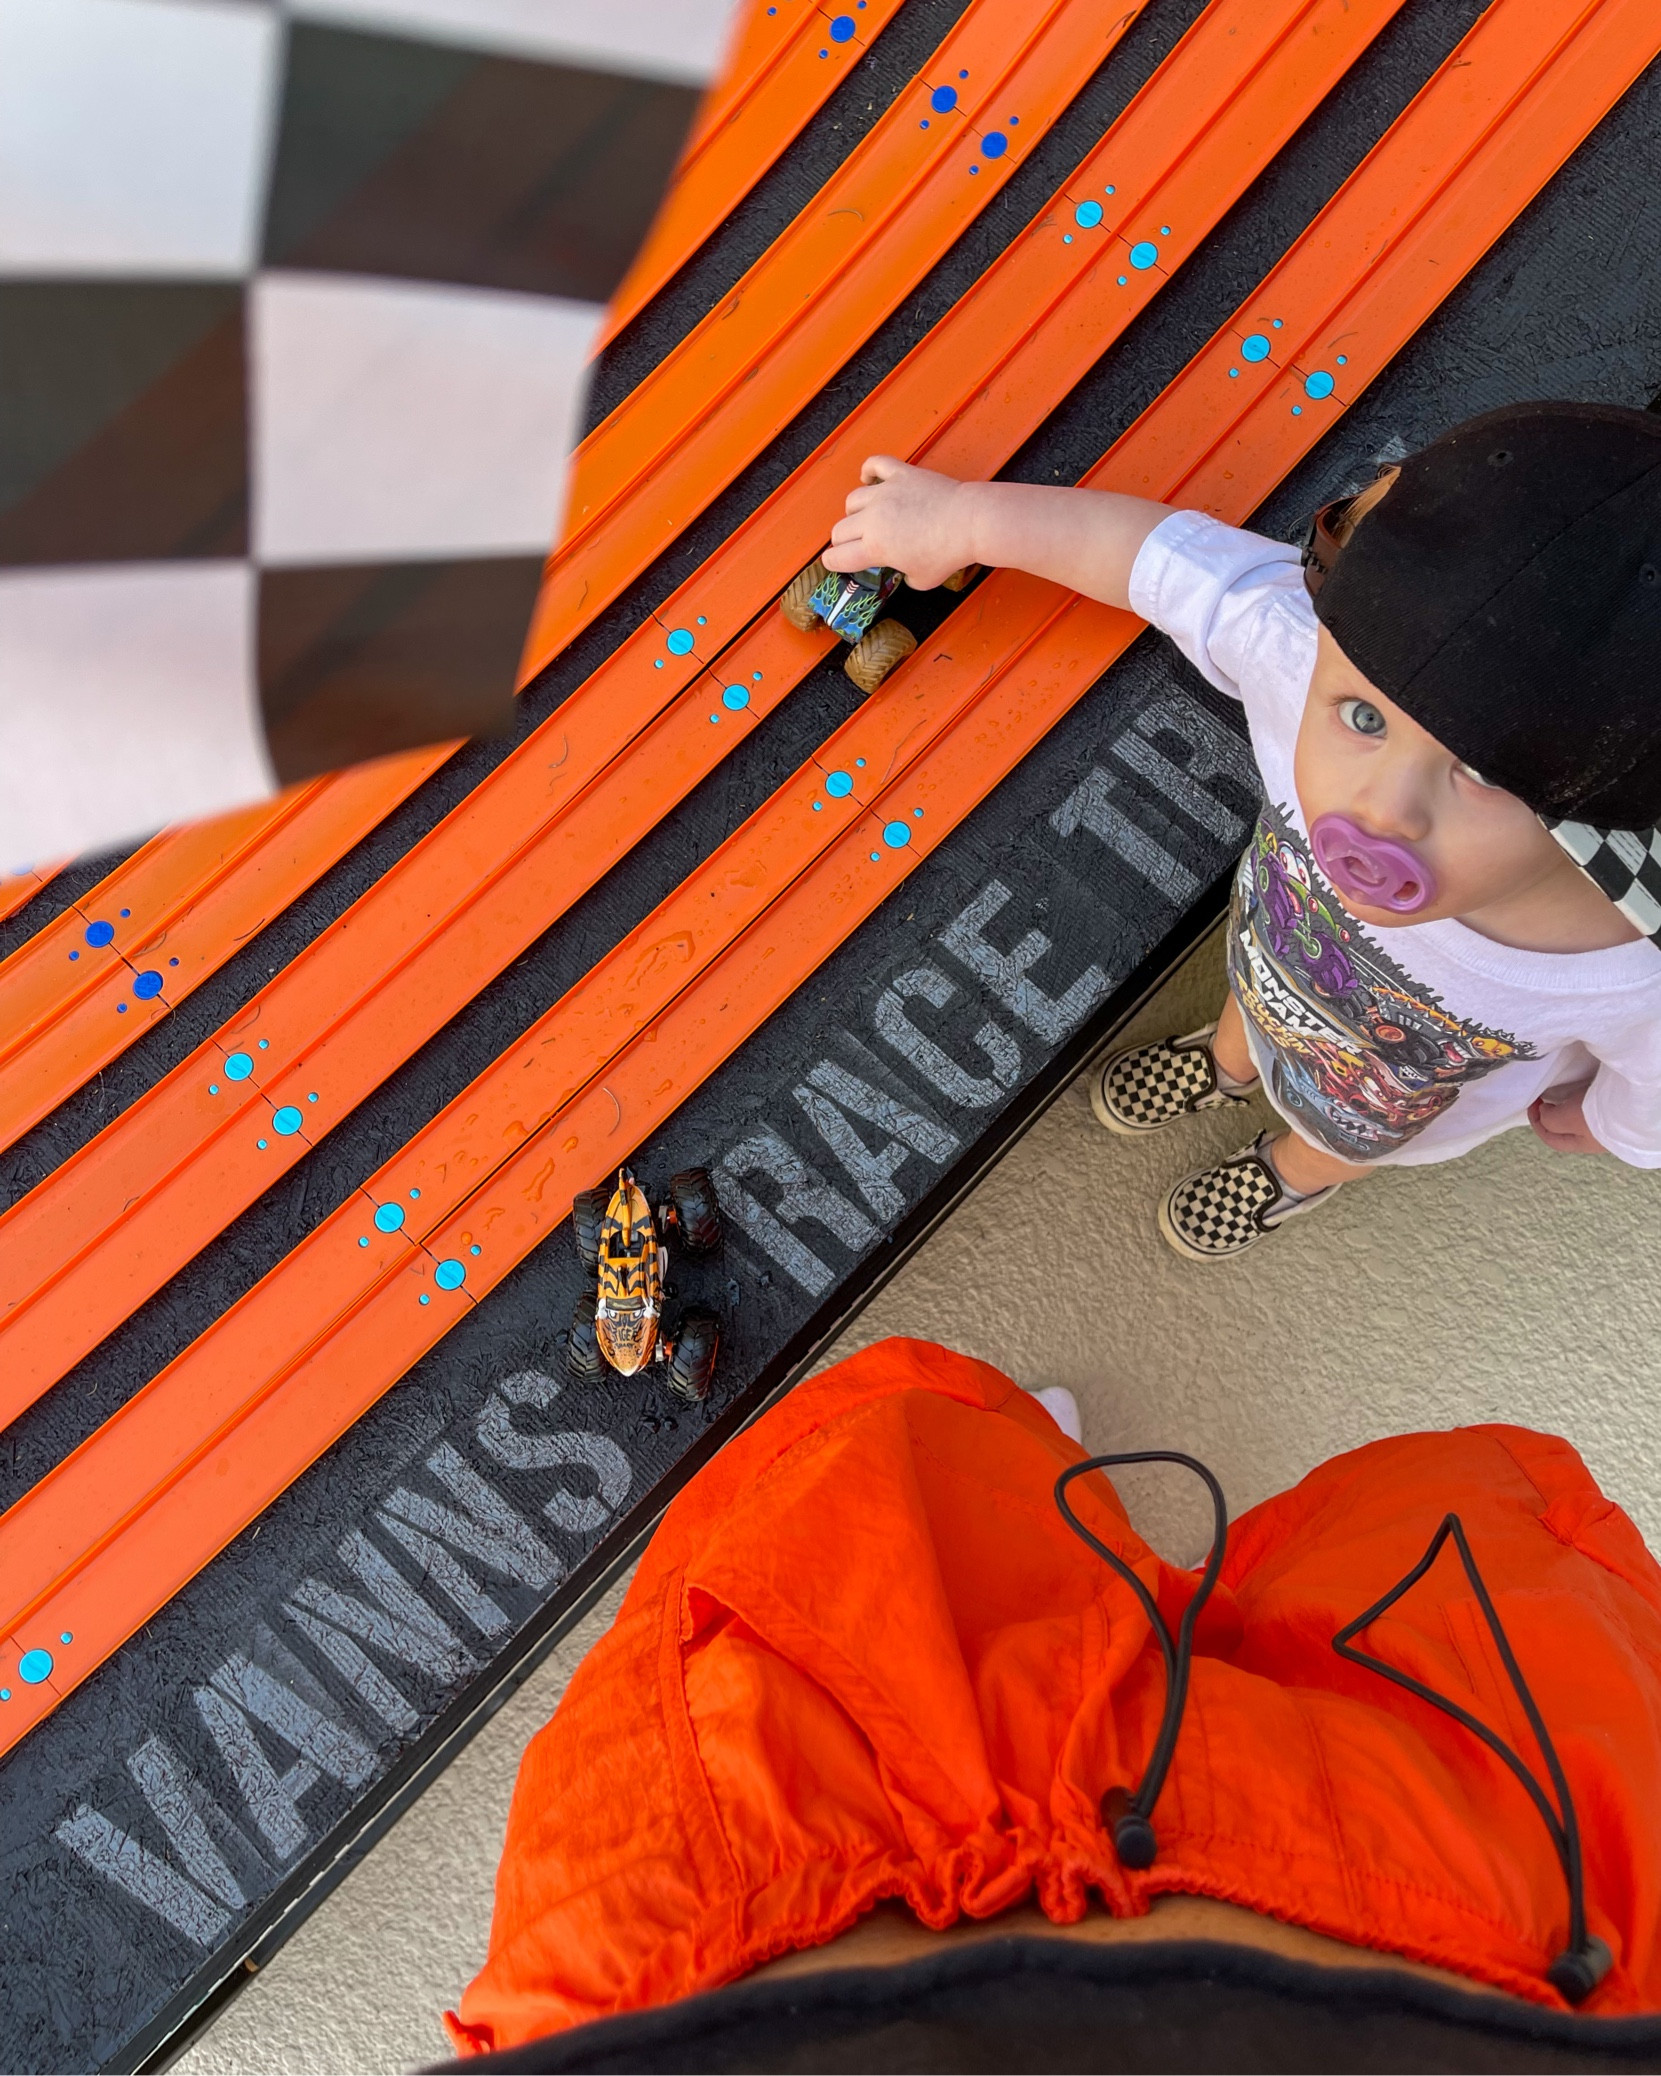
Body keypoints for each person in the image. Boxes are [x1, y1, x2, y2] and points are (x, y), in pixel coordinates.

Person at [442, 1337, 1661, 2069]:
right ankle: (1079, 1554)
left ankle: (1049, 1530)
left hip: (760, 1892)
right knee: (1420, 1552)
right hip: (1523, 1935)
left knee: (896, 1496)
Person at [815, 403, 1661, 1260]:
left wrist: (1606, 1124)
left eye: (1481, 774)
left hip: (1385, 1101)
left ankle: (1291, 1174)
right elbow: (1158, 561)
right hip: (1274, 950)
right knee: (1253, 1001)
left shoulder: (1633, 959)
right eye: (1362, 718)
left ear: (1613, 805)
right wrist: (964, 519)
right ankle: (1226, 1063)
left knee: (1346, 1140)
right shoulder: (1306, 652)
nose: (1379, 811)